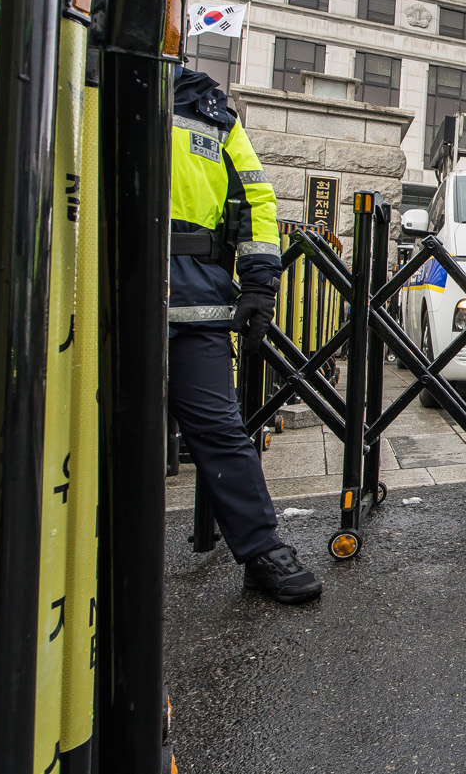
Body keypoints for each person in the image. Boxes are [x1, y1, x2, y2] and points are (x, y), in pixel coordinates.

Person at [169, 65, 321, 603]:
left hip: (196, 301)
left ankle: (261, 550)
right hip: (94, 297)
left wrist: (260, 285)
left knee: (219, 429)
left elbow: (258, 199)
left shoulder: (204, 104)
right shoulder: (71, 60)